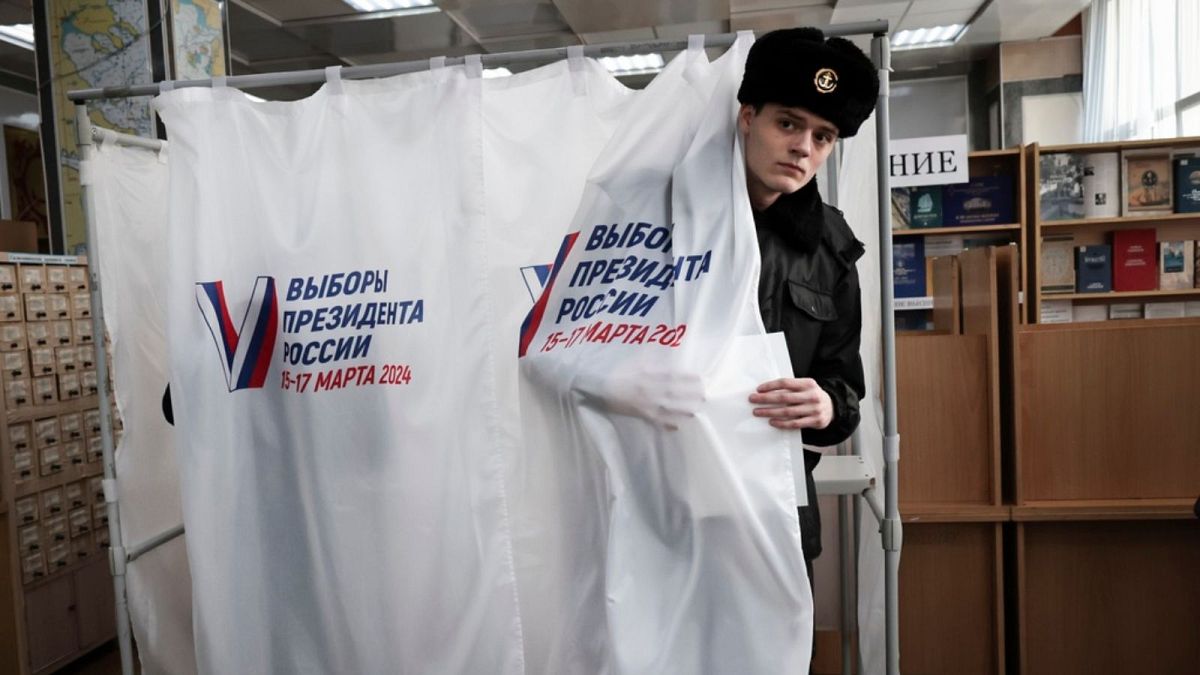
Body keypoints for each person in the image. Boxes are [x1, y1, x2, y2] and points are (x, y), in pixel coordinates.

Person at [738, 27, 879, 582]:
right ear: (748, 116)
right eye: (788, 123)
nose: (803, 147)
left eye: (822, 136)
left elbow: (845, 388)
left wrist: (825, 406)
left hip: (780, 511)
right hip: (669, 506)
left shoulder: (831, 246)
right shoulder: (672, 221)